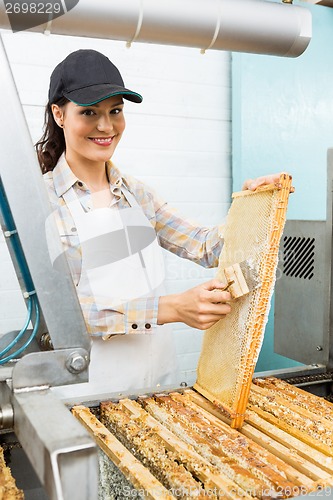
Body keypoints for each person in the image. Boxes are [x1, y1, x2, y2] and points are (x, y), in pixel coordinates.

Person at [36, 49, 280, 396]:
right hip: (88, 395)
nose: (105, 126)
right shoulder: (44, 202)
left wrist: (252, 206)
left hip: (160, 387)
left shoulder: (137, 194)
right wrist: (171, 308)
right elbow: (69, 318)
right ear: (59, 114)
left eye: (115, 111)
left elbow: (206, 246)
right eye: (89, 112)